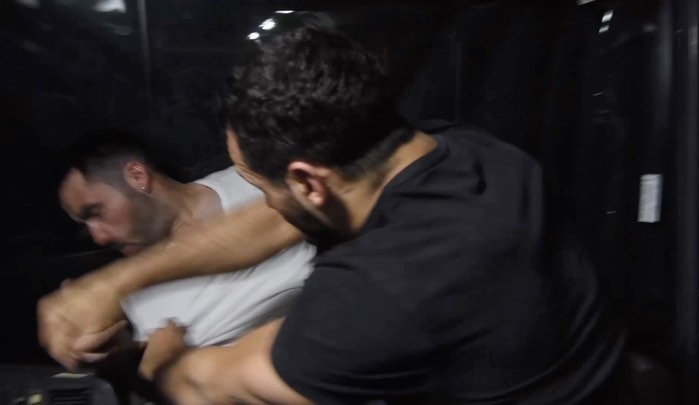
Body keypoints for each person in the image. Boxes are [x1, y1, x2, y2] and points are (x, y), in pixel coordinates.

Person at [38, 27, 627, 404]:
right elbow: (277, 222)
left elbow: (213, 385)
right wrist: (115, 282)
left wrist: (158, 359)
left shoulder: (380, 291)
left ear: (308, 181)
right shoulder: (469, 152)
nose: (262, 204)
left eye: (259, 185)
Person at [54, 130, 315, 362]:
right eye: (85, 225)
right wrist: (122, 354)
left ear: (137, 176)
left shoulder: (253, 183)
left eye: (96, 212)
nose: (98, 238)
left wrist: (113, 283)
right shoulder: (140, 301)